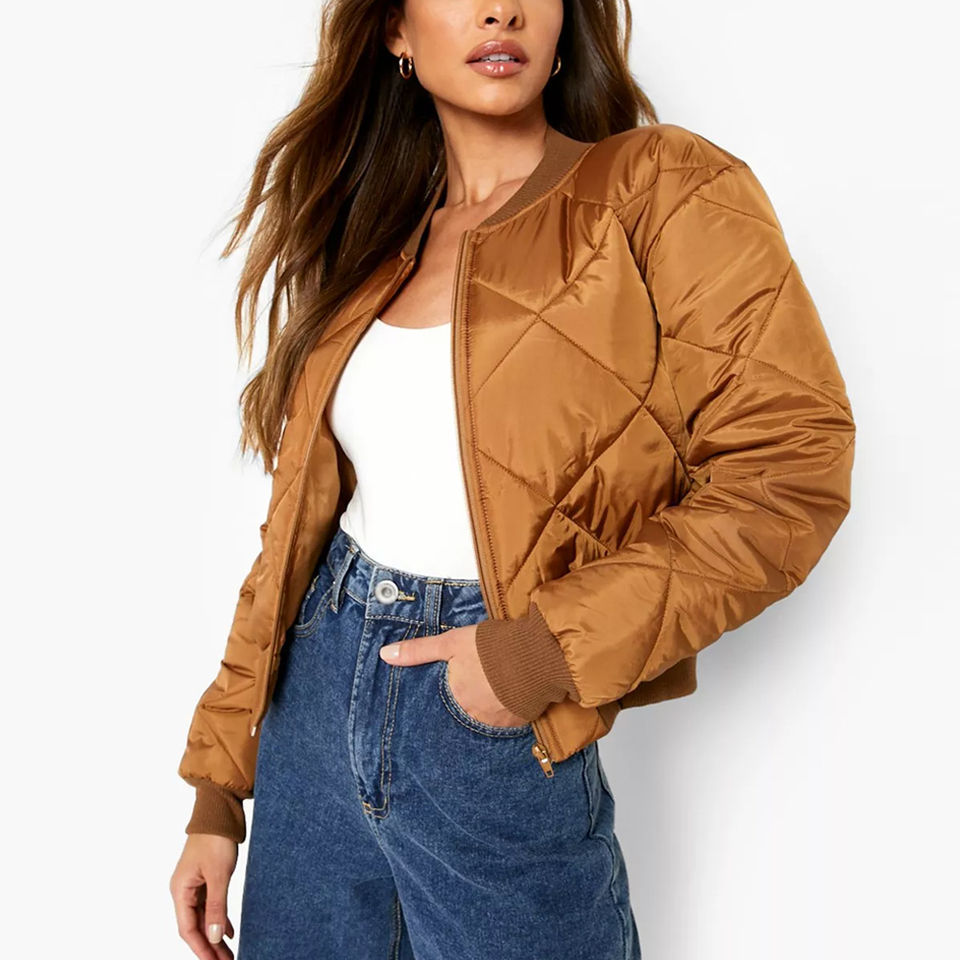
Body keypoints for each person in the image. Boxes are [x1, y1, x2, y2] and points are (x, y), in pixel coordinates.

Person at [169, 1, 856, 958]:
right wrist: (219, 790)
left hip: (491, 713)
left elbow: (791, 468)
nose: (501, 8)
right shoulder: (373, 242)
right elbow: (295, 537)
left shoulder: (658, 188)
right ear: (395, 32)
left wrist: (531, 659)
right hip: (313, 720)